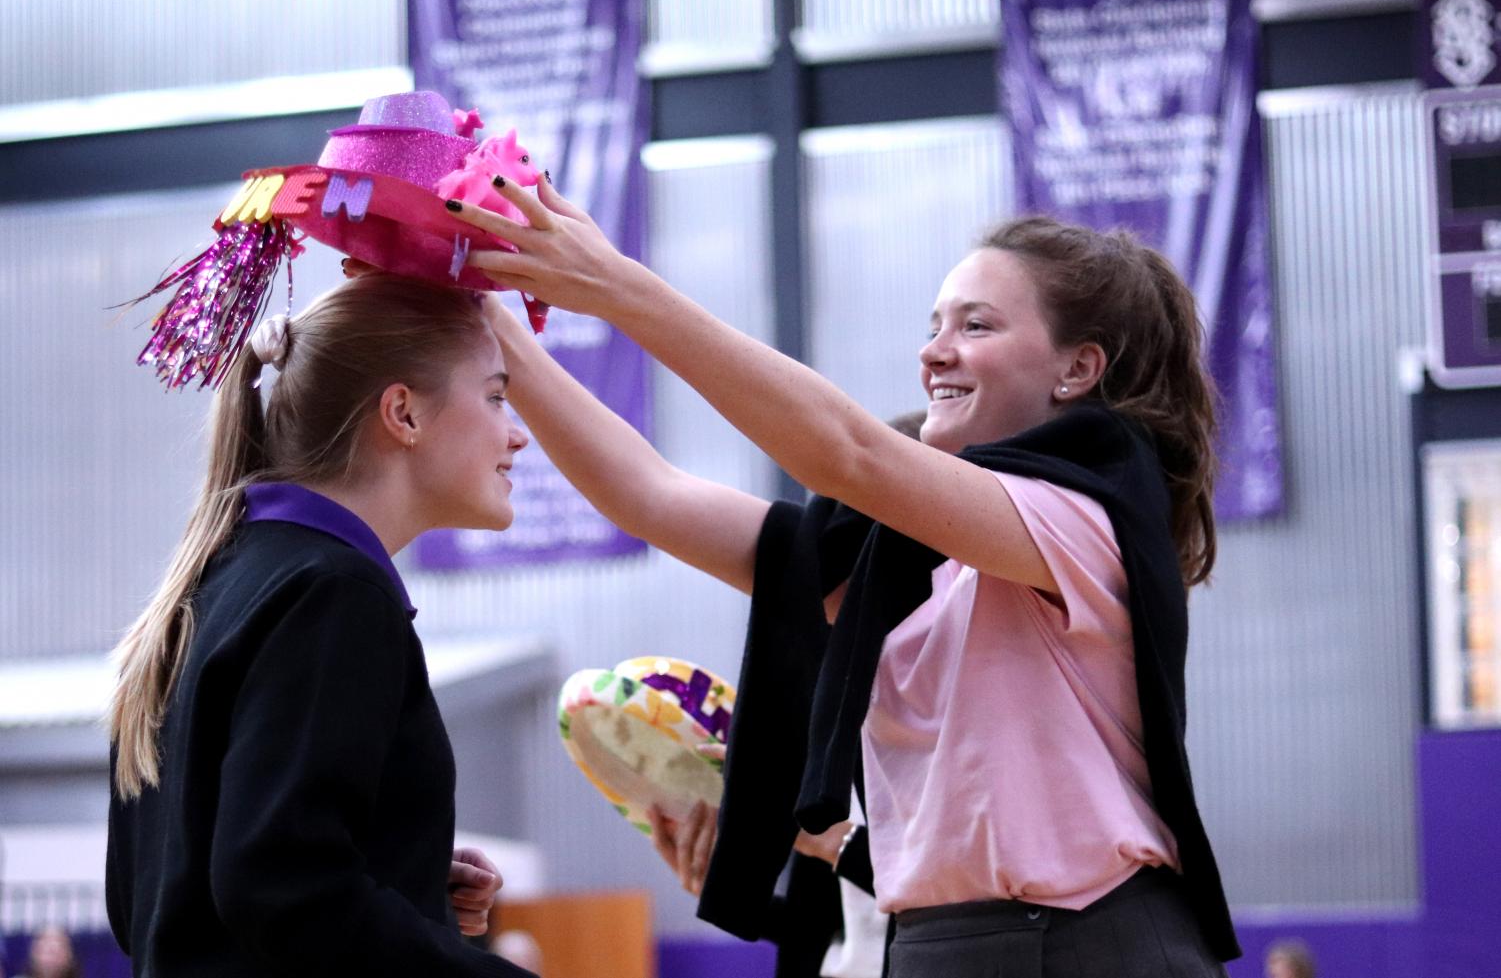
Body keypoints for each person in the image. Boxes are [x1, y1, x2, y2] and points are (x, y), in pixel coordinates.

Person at [445, 178, 1240, 975]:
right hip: (932, 943)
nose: (933, 350)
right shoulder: (898, 564)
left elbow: (848, 451)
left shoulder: (1085, 517)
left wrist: (617, 285)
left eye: (976, 324)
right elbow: (652, 495)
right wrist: (480, 314)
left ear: (1077, 369)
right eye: (934, 324)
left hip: (1089, 941)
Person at [105, 274, 534, 977]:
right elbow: (284, 888)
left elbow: (146, 900)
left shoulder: (219, 581)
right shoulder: (334, 592)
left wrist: (405, 871)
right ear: (403, 412)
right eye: (493, 395)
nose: (515, 432)